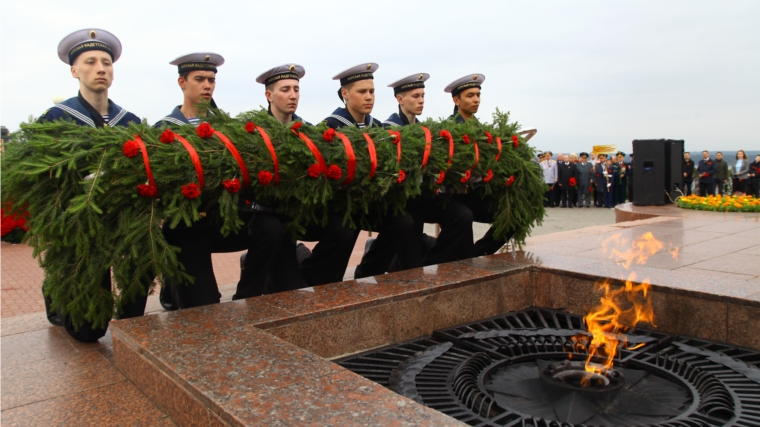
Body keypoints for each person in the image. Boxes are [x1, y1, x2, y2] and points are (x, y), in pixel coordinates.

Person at [155, 55, 302, 309]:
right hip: (188, 228)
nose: (207, 86)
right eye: (199, 79)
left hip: (224, 220)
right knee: (204, 306)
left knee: (270, 227)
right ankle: (173, 285)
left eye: (211, 80)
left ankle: (248, 297)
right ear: (182, 82)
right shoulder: (165, 130)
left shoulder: (229, 128)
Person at [39, 28, 146, 341]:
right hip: (81, 225)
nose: (101, 68)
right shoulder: (57, 118)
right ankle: (57, 285)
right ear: (74, 71)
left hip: (122, 219)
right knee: (87, 332)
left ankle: (129, 319)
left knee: (144, 250)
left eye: (107, 62)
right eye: (90, 62)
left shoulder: (130, 122)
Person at [255, 63, 358, 288]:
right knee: (288, 287)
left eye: (296, 89)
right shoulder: (253, 133)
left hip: (302, 214)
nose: (293, 95)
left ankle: (308, 275)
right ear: (268, 95)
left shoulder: (310, 133)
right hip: (272, 218)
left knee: (343, 228)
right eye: (285, 89)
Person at [325, 63, 414, 279]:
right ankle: (325, 277)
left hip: (372, 203)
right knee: (344, 230)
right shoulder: (331, 127)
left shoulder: (380, 128)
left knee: (403, 221)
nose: (369, 97)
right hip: (341, 205)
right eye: (362, 91)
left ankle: (368, 270)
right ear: (345, 93)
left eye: (372, 91)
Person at [445, 73, 515, 255]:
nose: (476, 100)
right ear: (456, 100)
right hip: (455, 197)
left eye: (478, 95)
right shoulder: (447, 130)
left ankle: (481, 252)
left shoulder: (483, 131)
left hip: (479, 195)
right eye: (470, 95)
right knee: (457, 254)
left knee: (515, 212)